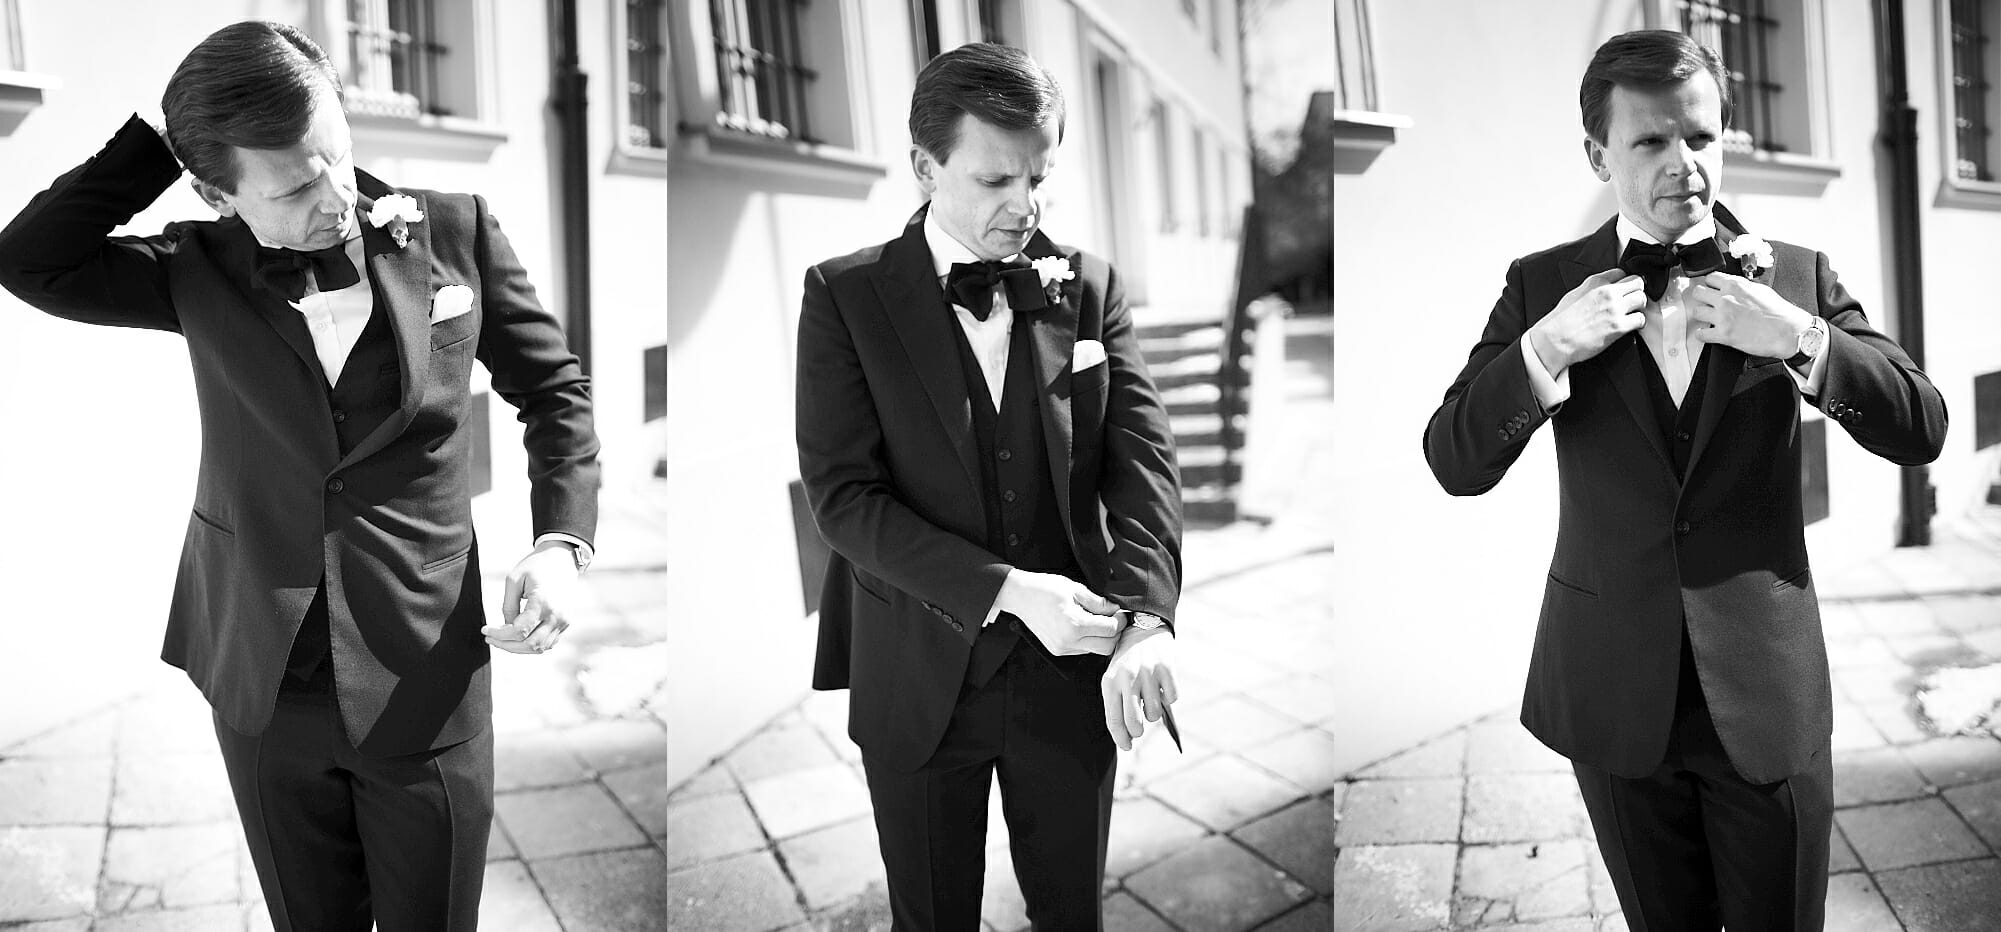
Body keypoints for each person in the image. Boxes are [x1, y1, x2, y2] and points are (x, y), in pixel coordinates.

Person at [0, 21, 599, 931]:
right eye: (293, 187)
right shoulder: (193, 268)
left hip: (423, 667)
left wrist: (561, 542)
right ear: (216, 191)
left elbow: (554, 392)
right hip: (262, 675)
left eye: (338, 157)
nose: (338, 198)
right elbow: (26, 259)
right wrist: (161, 142)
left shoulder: (455, 231)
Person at [1423, 29, 1946, 931]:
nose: (1684, 164)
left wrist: (1799, 338)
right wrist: (1545, 347)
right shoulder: (1542, 287)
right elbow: (1453, 460)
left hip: (1766, 694)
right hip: (1611, 690)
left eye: (1700, 137)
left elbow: (1921, 425)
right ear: (1597, 154)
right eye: (1651, 141)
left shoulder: (1795, 276)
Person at [795, 42, 1183, 930]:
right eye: (996, 179)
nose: (1025, 205)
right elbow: (844, 500)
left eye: (1038, 176)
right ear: (924, 167)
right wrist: (1007, 591)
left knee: (1071, 914)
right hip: (916, 671)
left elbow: (1143, 464)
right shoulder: (844, 296)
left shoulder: (1088, 287)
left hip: (1070, 675)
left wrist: (1147, 618)